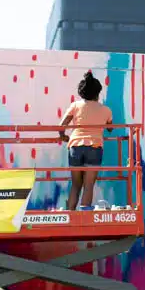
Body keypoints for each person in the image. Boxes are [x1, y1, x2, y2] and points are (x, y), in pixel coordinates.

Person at [59, 72, 112, 211]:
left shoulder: (75, 105)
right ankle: (84, 216)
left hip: (75, 146)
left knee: (76, 184)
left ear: (81, 93)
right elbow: (111, 128)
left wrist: (64, 137)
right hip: (95, 147)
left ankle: (69, 213)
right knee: (88, 185)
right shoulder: (106, 110)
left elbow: (61, 126)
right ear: (98, 93)